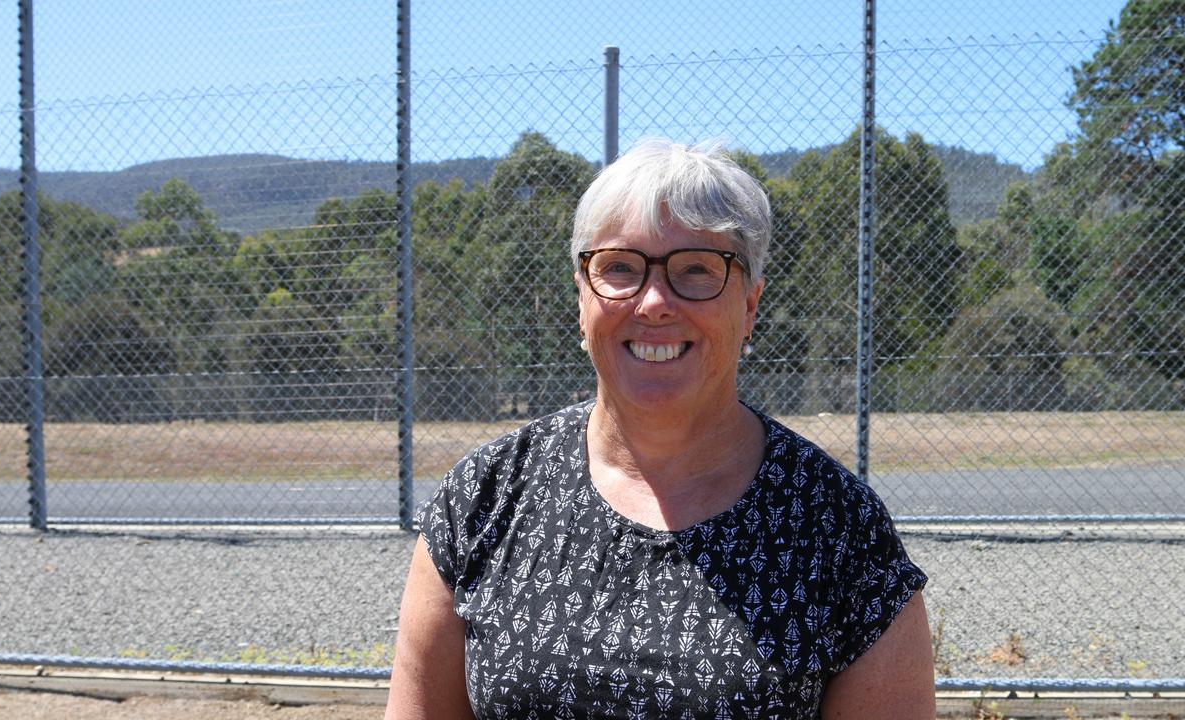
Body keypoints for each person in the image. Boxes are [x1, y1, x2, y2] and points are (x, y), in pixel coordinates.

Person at [386, 139, 934, 719]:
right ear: (581, 295)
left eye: (696, 269)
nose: (652, 302)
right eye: (619, 267)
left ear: (749, 304)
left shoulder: (838, 529)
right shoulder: (484, 497)